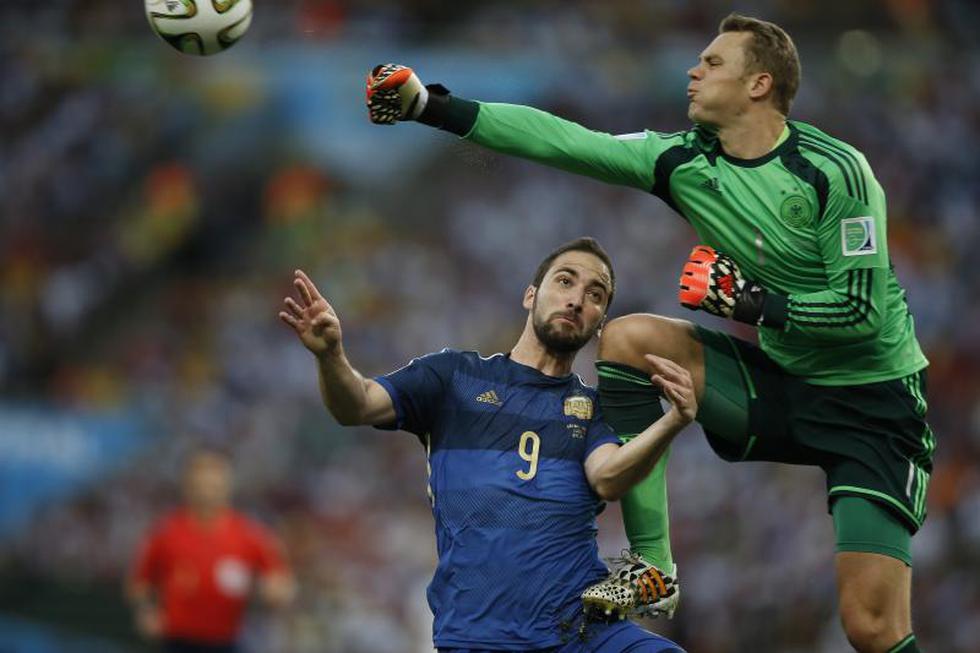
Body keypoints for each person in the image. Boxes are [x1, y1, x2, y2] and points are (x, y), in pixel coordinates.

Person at [363, 13, 932, 653]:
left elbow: (862, 313)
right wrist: (430, 106)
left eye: (713, 63)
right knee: (629, 340)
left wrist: (752, 302)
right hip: (783, 382)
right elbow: (562, 140)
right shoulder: (681, 159)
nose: (694, 70)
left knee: (872, 628)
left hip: (871, 404)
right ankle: (653, 566)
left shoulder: (836, 171)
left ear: (759, 84)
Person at [279, 238, 691, 652]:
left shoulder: (592, 410)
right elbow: (359, 404)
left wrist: (674, 420)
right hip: (483, 635)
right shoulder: (453, 377)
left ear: (600, 322)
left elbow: (607, 478)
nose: (576, 300)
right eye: (565, 281)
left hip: (578, 630)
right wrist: (331, 356)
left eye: (595, 295)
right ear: (530, 295)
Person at [127, 448, 295, 653]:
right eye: (201, 485)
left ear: (227, 487)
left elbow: (281, 580)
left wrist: (274, 592)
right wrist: (146, 612)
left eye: (214, 485)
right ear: (188, 487)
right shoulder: (165, 532)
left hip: (227, 641)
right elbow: (140, 581)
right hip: (177, 641)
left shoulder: (249, 535)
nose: (207, 492)